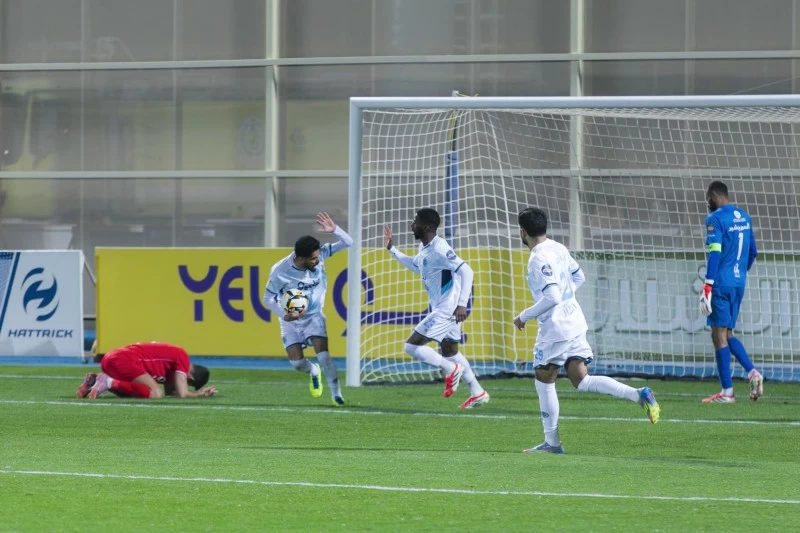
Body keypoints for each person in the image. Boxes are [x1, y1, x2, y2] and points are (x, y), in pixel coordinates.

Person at [513, 207, 659, 454]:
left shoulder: (537, 259)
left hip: (556, 329)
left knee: (543, 378)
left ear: (523, 232)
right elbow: (579, 277)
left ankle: (552, 443)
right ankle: (638, 394)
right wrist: (567, 299)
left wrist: (523, 316)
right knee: (581, 379)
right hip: (575, 321)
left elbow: (552, 297)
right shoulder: (558, 248)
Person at [383, 208, 489, 408]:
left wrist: (462, 304)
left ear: (426, 227)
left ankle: (450, 369)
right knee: (450, 350)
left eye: (415, 222)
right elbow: (417, 266)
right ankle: (478, 392)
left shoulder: (440, 248)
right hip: (444, 307)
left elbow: (467, 271)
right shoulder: (425, 248)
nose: (412, 225)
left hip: (447, 309)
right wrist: (392, 250)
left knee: (411, 346)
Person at [263, 212, 352, 406]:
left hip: (314, 316)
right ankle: (313, 371)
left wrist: (335, 230)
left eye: (317, 257)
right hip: (290, 320)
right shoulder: (280, 271)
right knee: (297, 364)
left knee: (325, 356)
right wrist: (285, 316)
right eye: (313, 259)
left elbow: (348, 242)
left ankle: (336, 395)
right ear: (301, 258)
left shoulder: (321, 255)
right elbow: (267, 298)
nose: (318, 261)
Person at [699, 181, 763, 403]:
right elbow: (753, 251)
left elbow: (715, 253)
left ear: (715, 196)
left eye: (708, 198)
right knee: (727, 333)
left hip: (721, 283)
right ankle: (752, 373)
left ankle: (727, 392)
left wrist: (708, 285)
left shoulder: (714, 218)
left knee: (718, 335)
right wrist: (740, 273)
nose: (708, 202)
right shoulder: (744, 217)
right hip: (738, 283)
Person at [75, 341, 216, 399]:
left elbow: (171, 393)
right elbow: (182, 393)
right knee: (156, 393)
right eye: (187, 383)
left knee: (135, 393)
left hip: (112, 359)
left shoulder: (171, 370)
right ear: (190, 377)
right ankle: (108, 382)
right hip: (122, 360)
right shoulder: (182, 358)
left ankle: (95, 381)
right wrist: (198, 394)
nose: (183, 382)